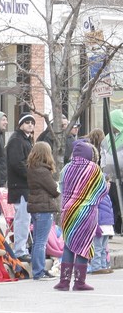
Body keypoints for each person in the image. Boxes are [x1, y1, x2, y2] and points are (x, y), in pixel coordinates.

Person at [55, 141, 108, 291]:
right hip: (87, 212)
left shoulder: (66, 168)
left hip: (68, 212)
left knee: (69, 245)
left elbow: (61, 188)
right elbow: (103, 190)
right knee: (84, 245)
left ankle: (64, 282)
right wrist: (91, 199)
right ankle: (79, 282)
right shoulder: (94, 169)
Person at [25, 141, 59, 281]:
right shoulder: (43, 171)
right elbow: (54, 190)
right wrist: (56, 186)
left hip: (35, 206)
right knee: (41, 241)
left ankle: (37, 269)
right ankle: (38, 271)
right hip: (44, 206)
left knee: (38, 241)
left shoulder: (32, 168)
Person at [6, 114, 35, 261]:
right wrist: (32, 176)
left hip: (25, 185)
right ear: (20, 124)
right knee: (22, 219)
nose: (30, 125)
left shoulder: (26, 139)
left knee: (25, 219)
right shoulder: (16, 140)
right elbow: (17, 163)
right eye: (27, 122)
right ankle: (19, 250)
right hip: (20, 186)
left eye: (32, 123)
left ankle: (22, 248)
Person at [87, 129, 114, 275]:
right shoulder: (98, 194)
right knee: (98, 247)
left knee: (103, 246)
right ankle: (97, 266)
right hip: (100, 223)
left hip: (106, 223)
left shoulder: (106, 196)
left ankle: (103, 264)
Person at [99, 109, 123, 235]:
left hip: (122, 177)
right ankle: (112, 229)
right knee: (111, 204)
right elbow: (102, 155)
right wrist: (103, 168)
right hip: (110, 178)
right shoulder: (107, 138)